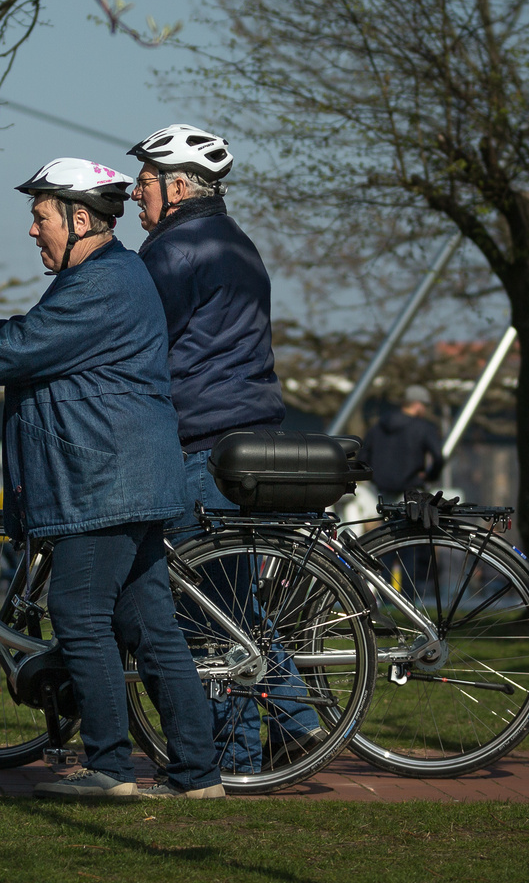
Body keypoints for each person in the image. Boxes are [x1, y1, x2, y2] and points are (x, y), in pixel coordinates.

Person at [0, 157, 224, 801]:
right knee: (148, 627)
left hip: (105, 480)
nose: (32, 231)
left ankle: (111, 769)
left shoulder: (108, 281)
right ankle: (197, 776)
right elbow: (26, 332)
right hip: (120, 477)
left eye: (40, 218)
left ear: (80, 218)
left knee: (79, 614)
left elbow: (28, 346)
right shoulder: (99, 277)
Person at [128, 122, 322, 772]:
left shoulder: (171, 252)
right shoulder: (236, 244)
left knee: (199, 614)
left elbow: (129, 343)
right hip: (249, 436)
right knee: (234, 604)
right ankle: (296, 722)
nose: (134, 194)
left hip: (200, 444)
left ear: (178, 186)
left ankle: (232, 755)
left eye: (145, 181)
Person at [360, 385, 445, 498]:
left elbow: (363, 457)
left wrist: (374, 477)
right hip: (411, 491)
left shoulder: (379, 425)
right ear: (417, 405)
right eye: (425, 405)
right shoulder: (423, 428)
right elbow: (438, 457)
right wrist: (429, 477)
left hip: (378, 492)